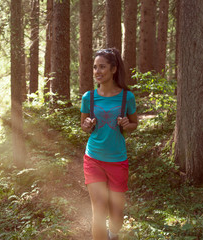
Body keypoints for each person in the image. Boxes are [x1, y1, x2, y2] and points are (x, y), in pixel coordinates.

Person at [80, 48, 138, 240]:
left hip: (117, 160)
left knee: (116, 213)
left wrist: (127, 124)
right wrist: (87, 124)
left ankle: (113, 235)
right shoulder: (88, 97)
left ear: (113, 69)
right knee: (98, 211)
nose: (97, 71)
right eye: (95, 67)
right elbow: (83, 125)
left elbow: (134, 124)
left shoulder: (126, 97)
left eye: (102, 67)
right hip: (93, 158)